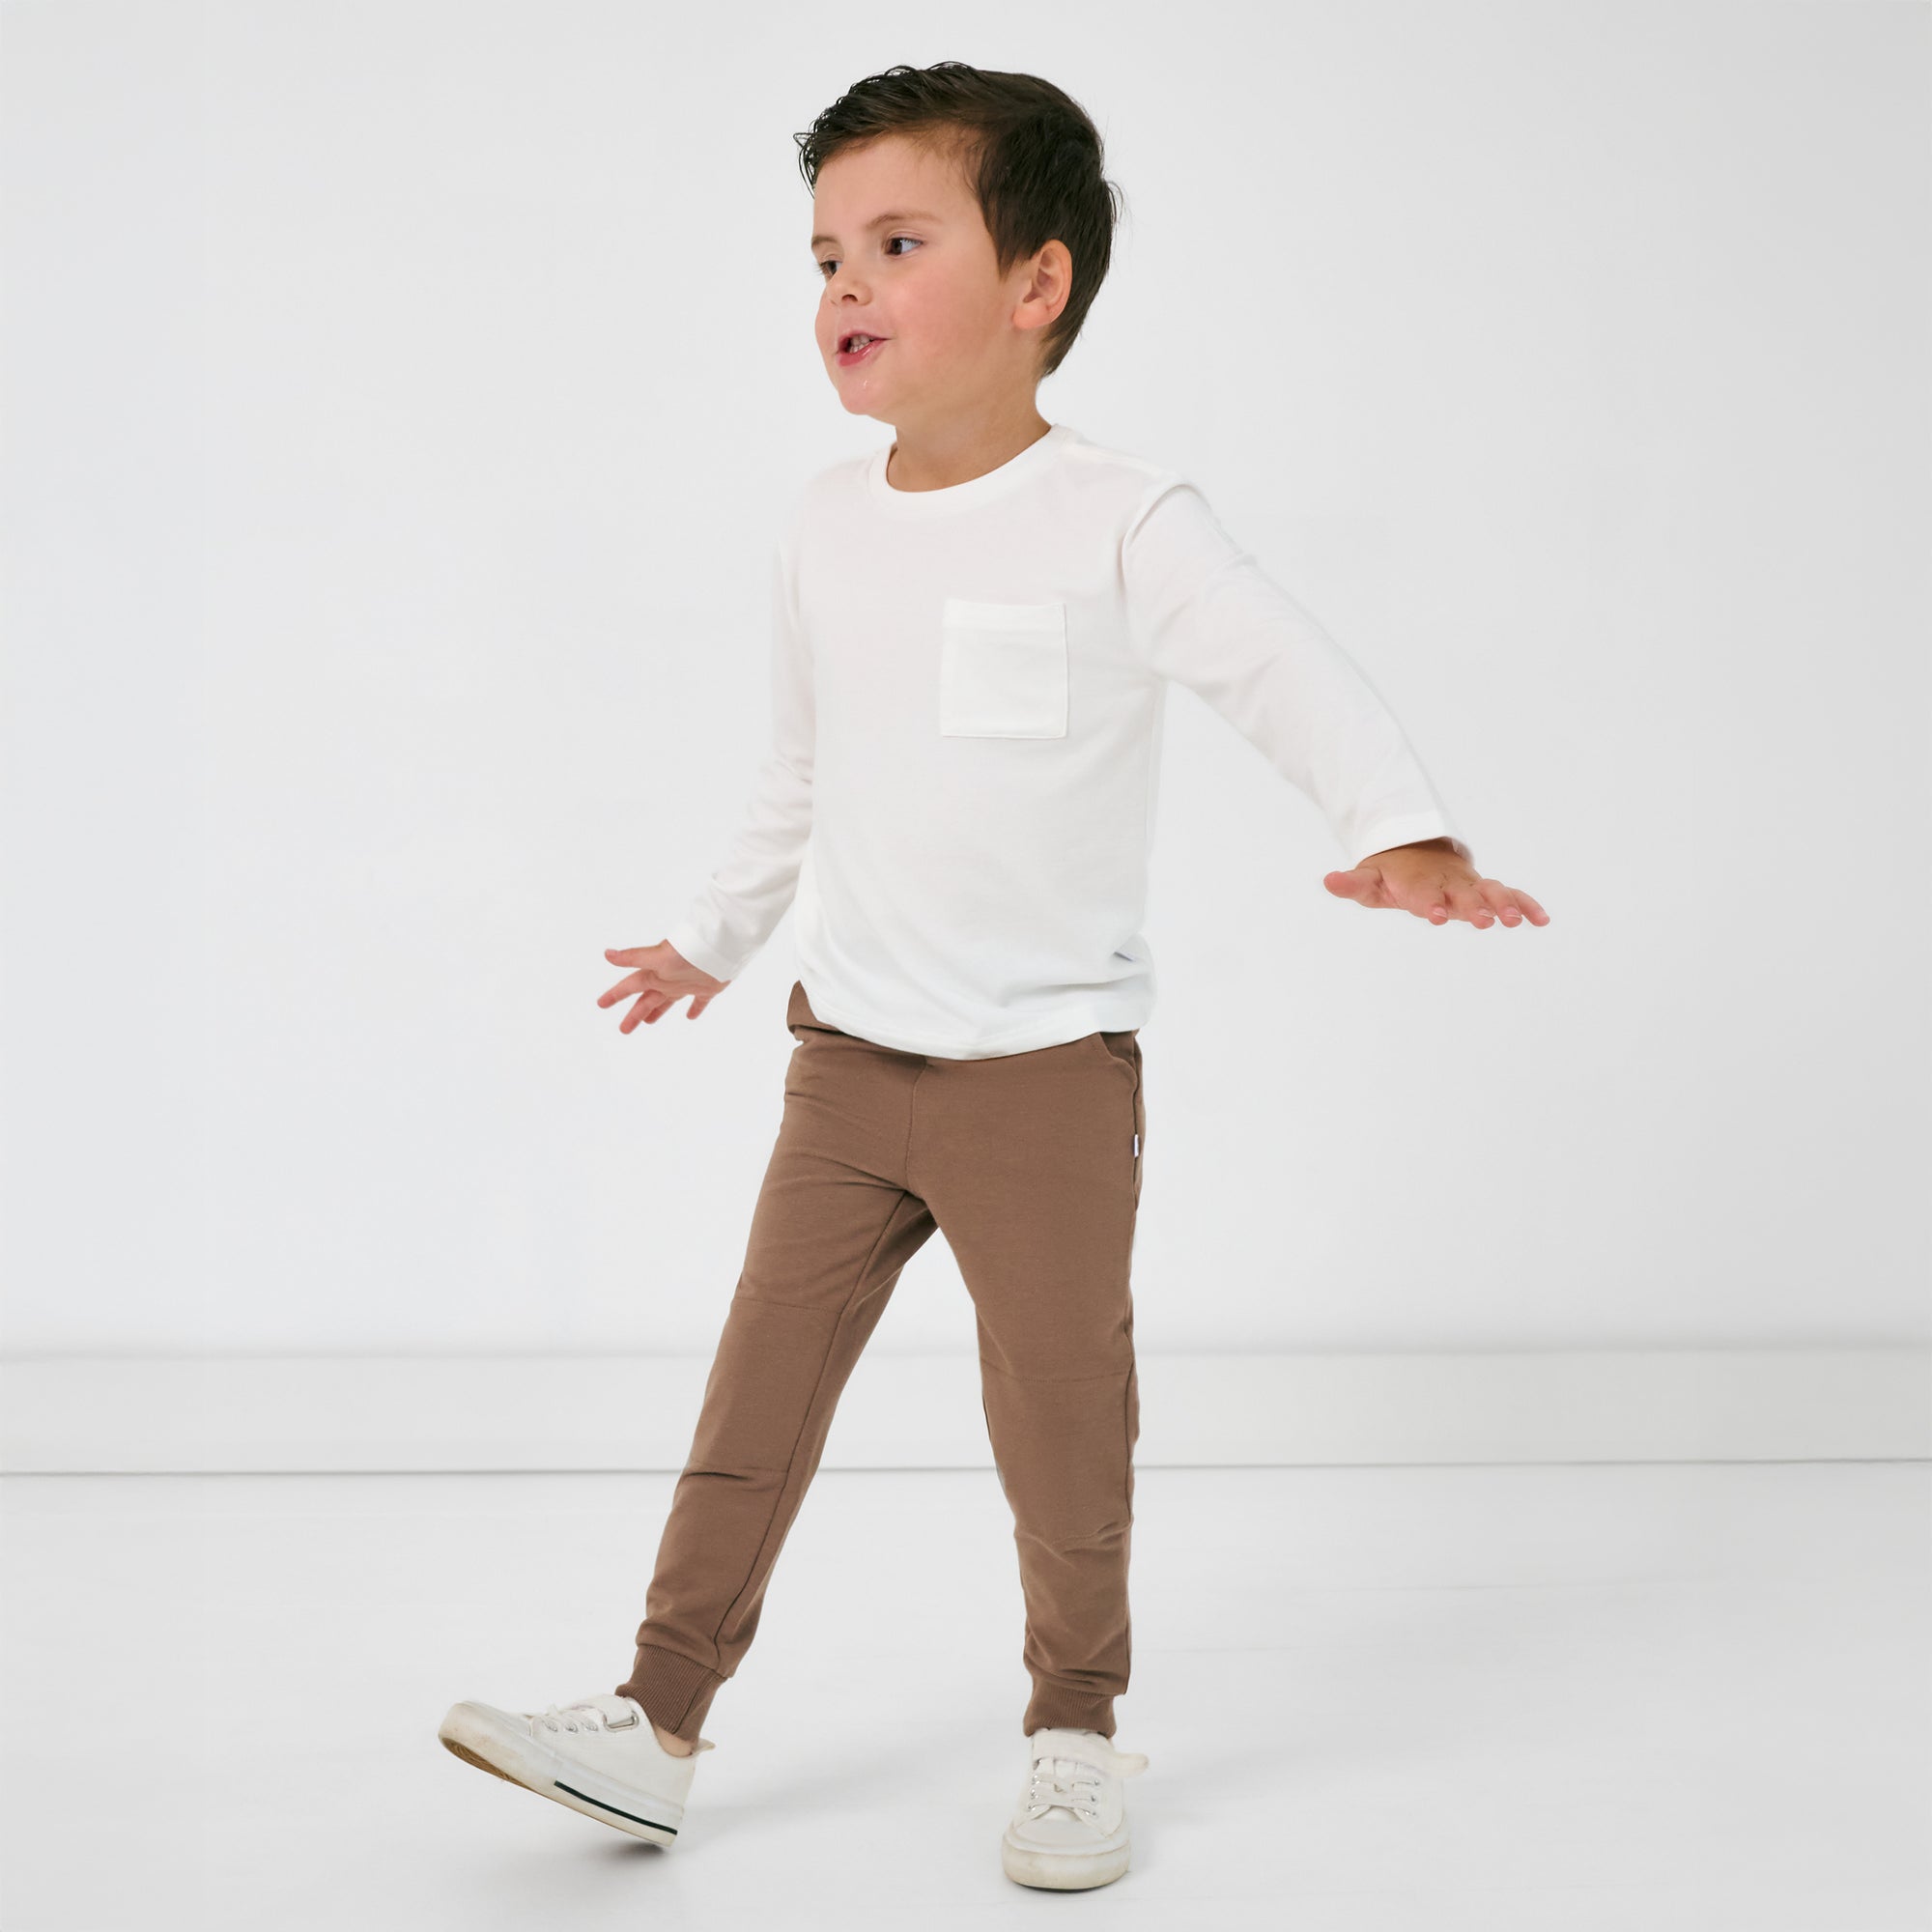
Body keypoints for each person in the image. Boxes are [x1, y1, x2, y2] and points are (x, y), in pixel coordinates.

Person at [439, 59, 1548, 1892]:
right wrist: (715, 942)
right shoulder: (823, 521)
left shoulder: (1122, 515)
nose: (845, 289)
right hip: (847, 1066)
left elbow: (1280, 664)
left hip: (1043, 1076)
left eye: (896, 242)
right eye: (823, 257)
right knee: (755, 1401)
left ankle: (1075, 1733)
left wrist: (1402, 821)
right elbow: (802, 769)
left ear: (1037, 286)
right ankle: (651, 1724)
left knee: (1058, 1419)